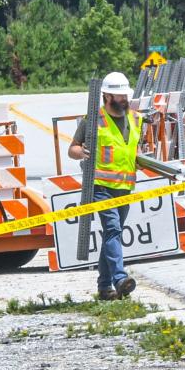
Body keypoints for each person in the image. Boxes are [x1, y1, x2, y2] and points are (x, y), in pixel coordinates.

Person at [68, 72, 144, 301]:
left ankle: (104, 288)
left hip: (125, 187)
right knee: (113, 231)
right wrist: (81, 152)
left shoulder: (136, 119)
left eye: (125, 96)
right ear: (107, 95)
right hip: (101, 187)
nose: (124, 100)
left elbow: (134, 149)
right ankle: (120, 279)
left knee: (112, 236)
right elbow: (72, 149)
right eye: (119, 96)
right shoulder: (92, 121)